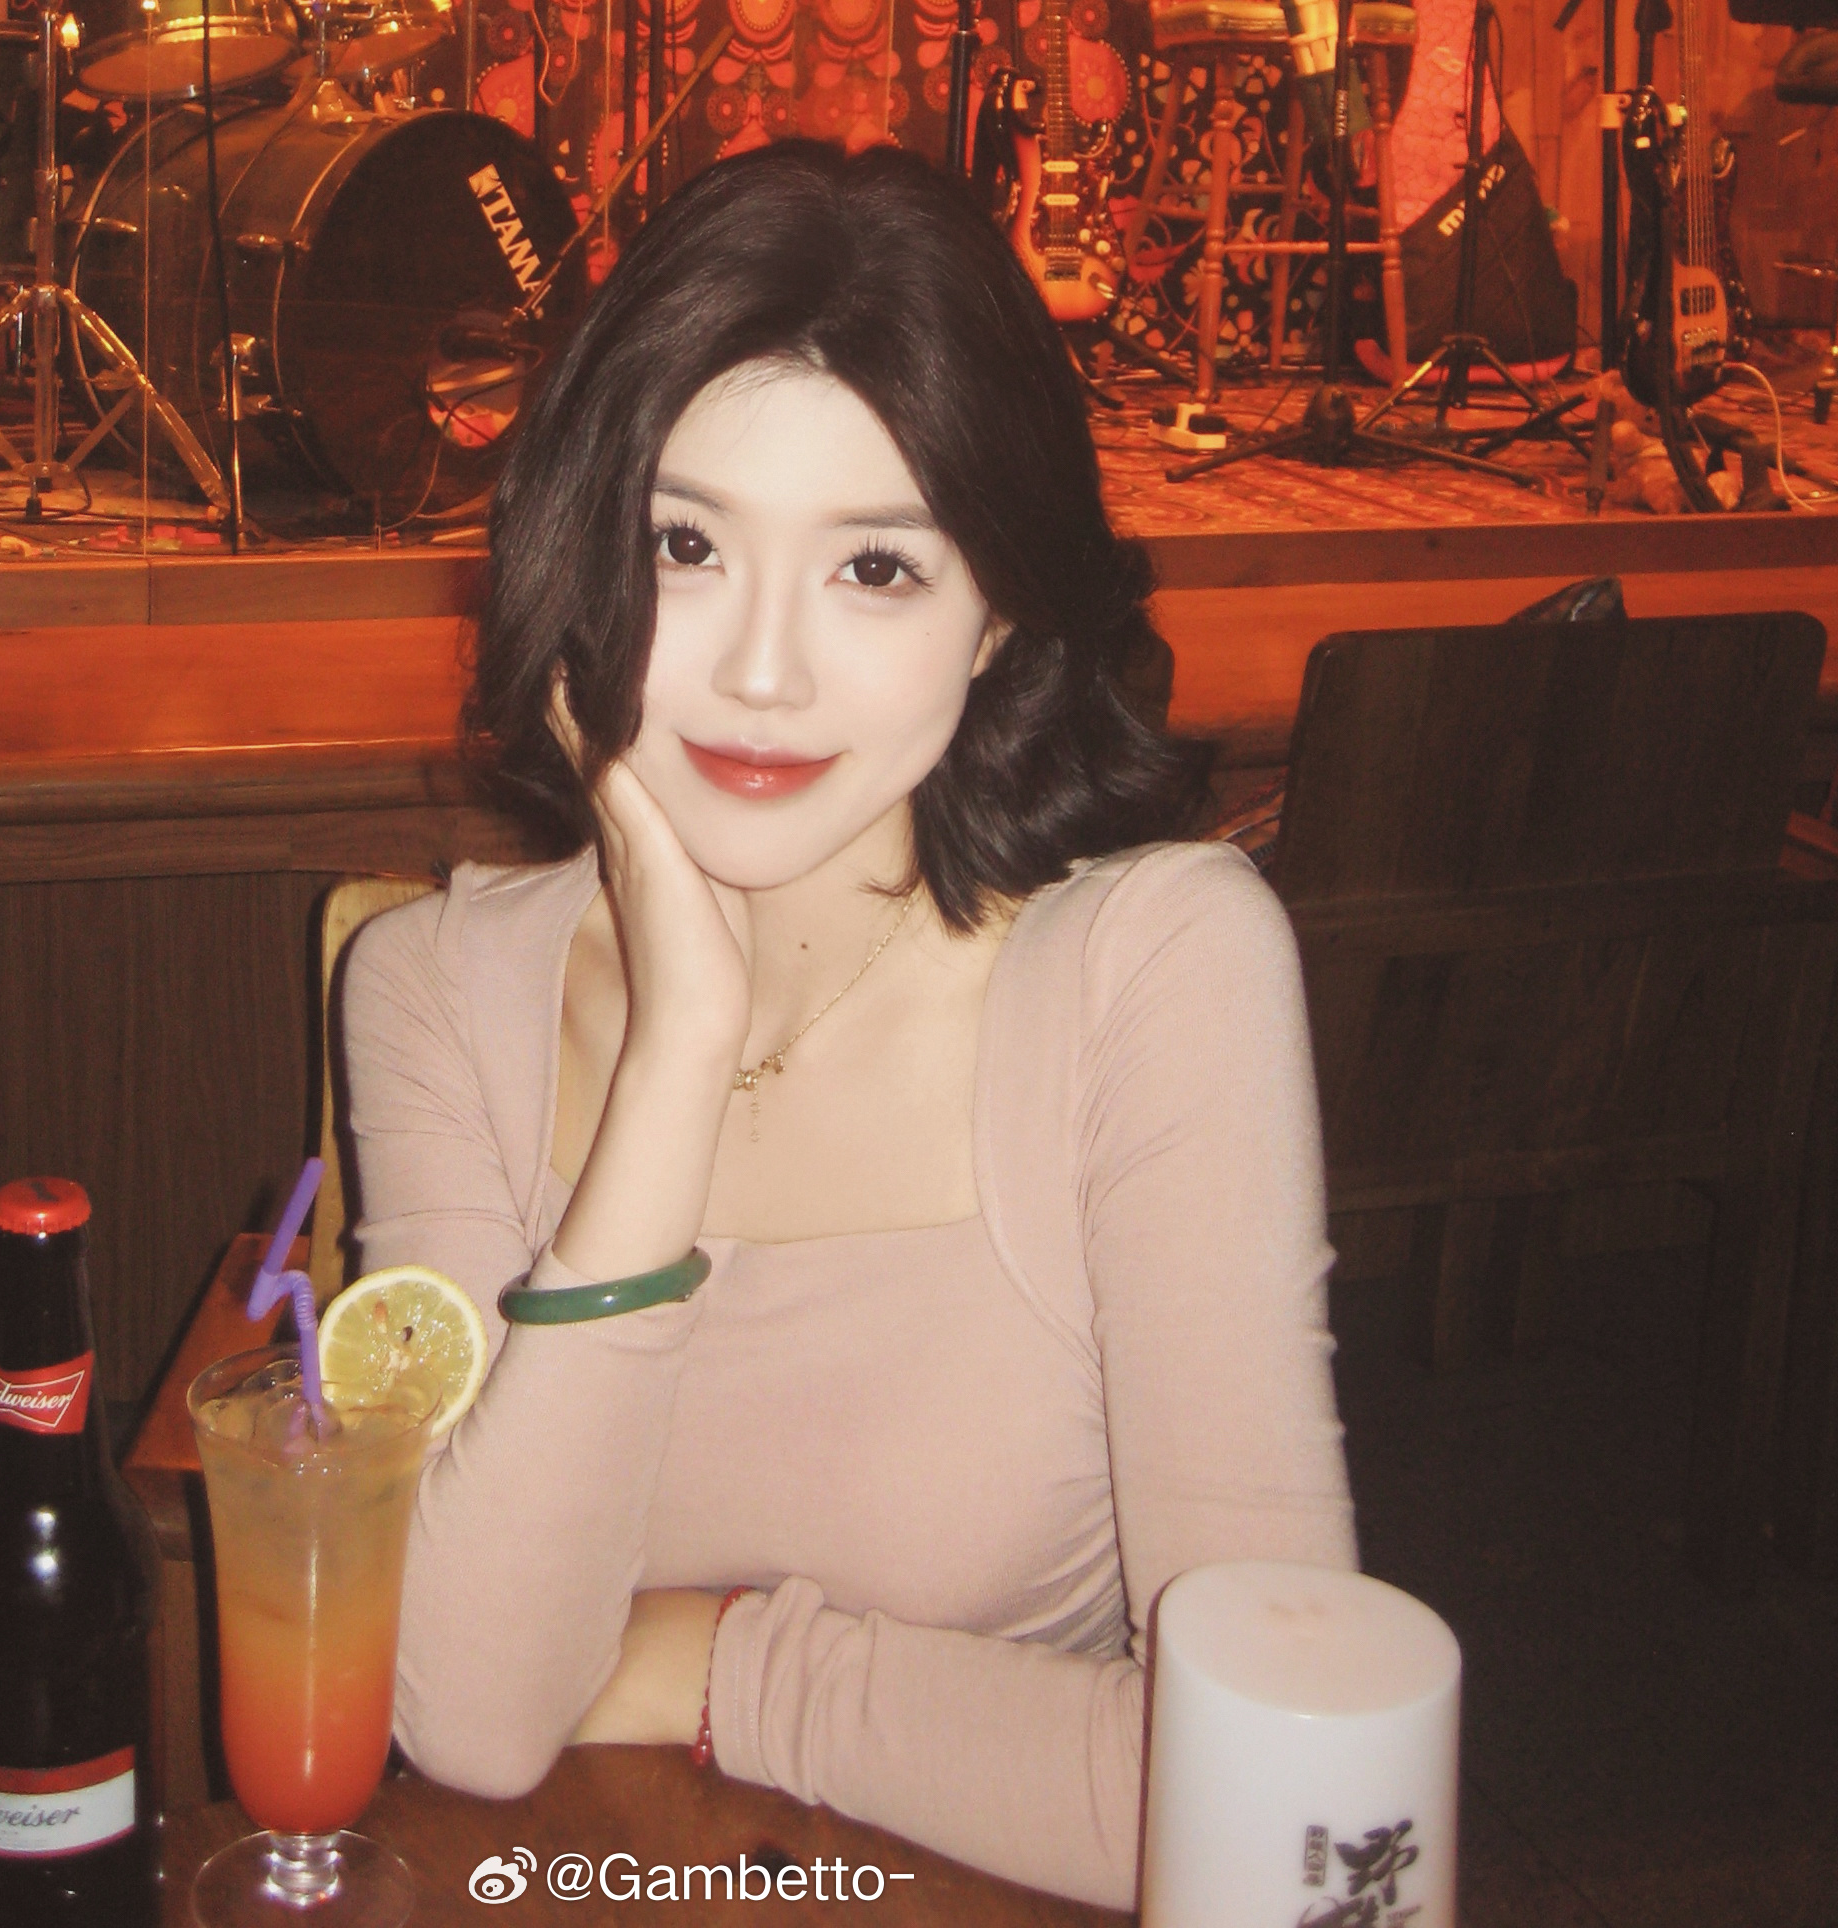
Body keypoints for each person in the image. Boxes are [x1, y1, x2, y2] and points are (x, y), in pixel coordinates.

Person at [338, 140, 1355, 1908]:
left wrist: (721, 1667)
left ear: (1001, 610)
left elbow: (1271, 1790)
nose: (760, 672)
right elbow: (473, 1713)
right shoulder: (433, 986)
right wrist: (678, 1051)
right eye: (684, 544)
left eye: (876, 568)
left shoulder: (1154, 971)